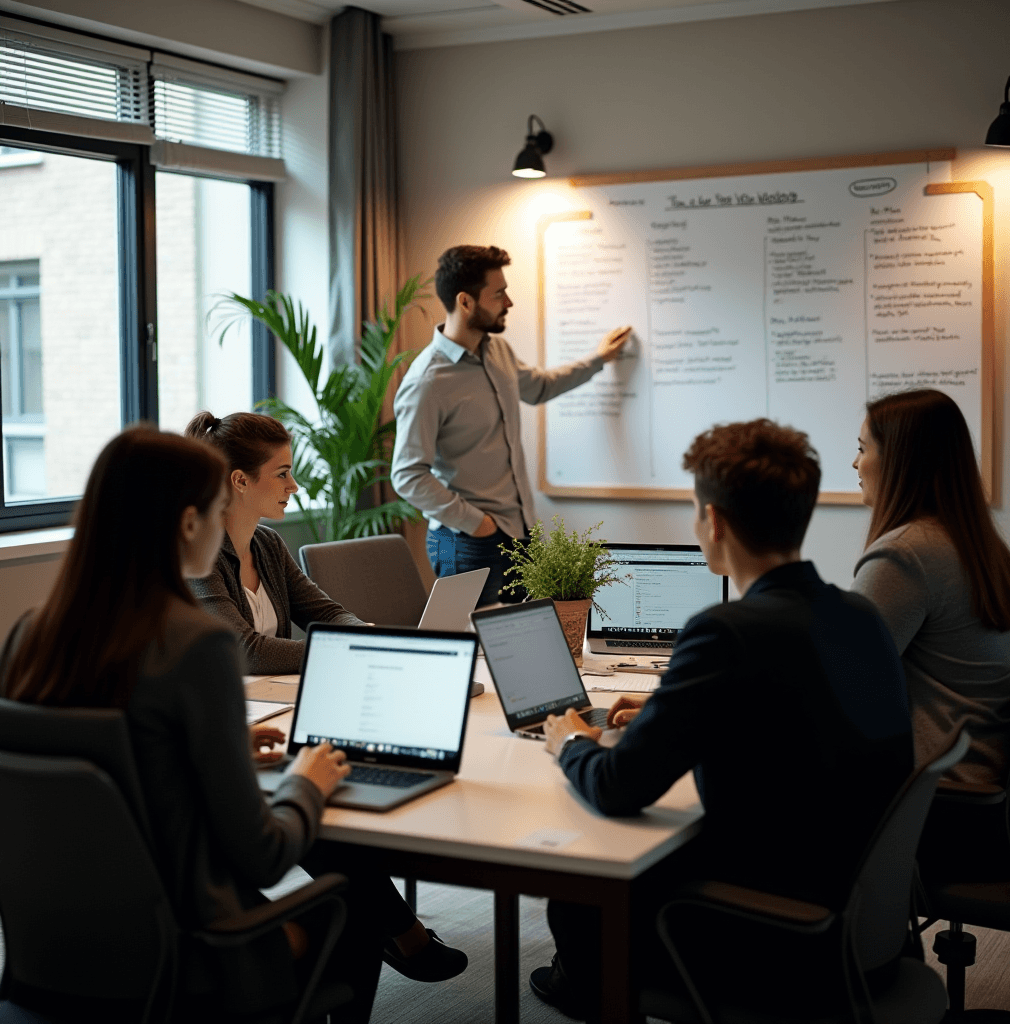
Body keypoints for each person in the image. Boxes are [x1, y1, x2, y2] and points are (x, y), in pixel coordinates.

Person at [0, 427, 467, 1019]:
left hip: (56, 951)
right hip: (191, 953)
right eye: (218, 508)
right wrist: (308, 781)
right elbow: (262, 857)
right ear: (190, 523)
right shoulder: (198, 647)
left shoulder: (30, 636)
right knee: (349, 898)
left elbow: (101, 760)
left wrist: (212, 745)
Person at [531, 419, 914, 1021]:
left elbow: (617, 787)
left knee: (580, 888)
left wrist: (573, 742)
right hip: (859, 912)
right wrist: (667, 715)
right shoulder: (859, 615)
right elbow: (778, 720)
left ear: (714, 521)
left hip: (767, 931)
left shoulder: (725, 630)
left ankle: (589, 989)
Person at [391, 244, 632, 606]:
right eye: (499, 293)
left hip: (518, 532)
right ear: (466, 302)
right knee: (475, 653)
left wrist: (598, 359)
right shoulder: (428, 380)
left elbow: (540, 387)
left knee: (519, 646)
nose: (509, 302)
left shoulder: (497, 351)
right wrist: (478, 523)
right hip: (465, 540)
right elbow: (408, 475)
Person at [851, 388, 1010, 885]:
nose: (855, 462)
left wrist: (695, 711)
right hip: (984, 796)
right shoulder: (968, 540)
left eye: (864, 447)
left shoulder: (906, 554)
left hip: (943, 812)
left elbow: (835, 685)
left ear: (901, 459)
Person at [184, 411, 364, 674]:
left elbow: (328, 615)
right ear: (241, 480)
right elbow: (246, 653)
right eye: (282, 474)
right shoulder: (198, 555)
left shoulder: (268, 544)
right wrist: (339, 649)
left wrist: (364, 637)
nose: (293, 486)